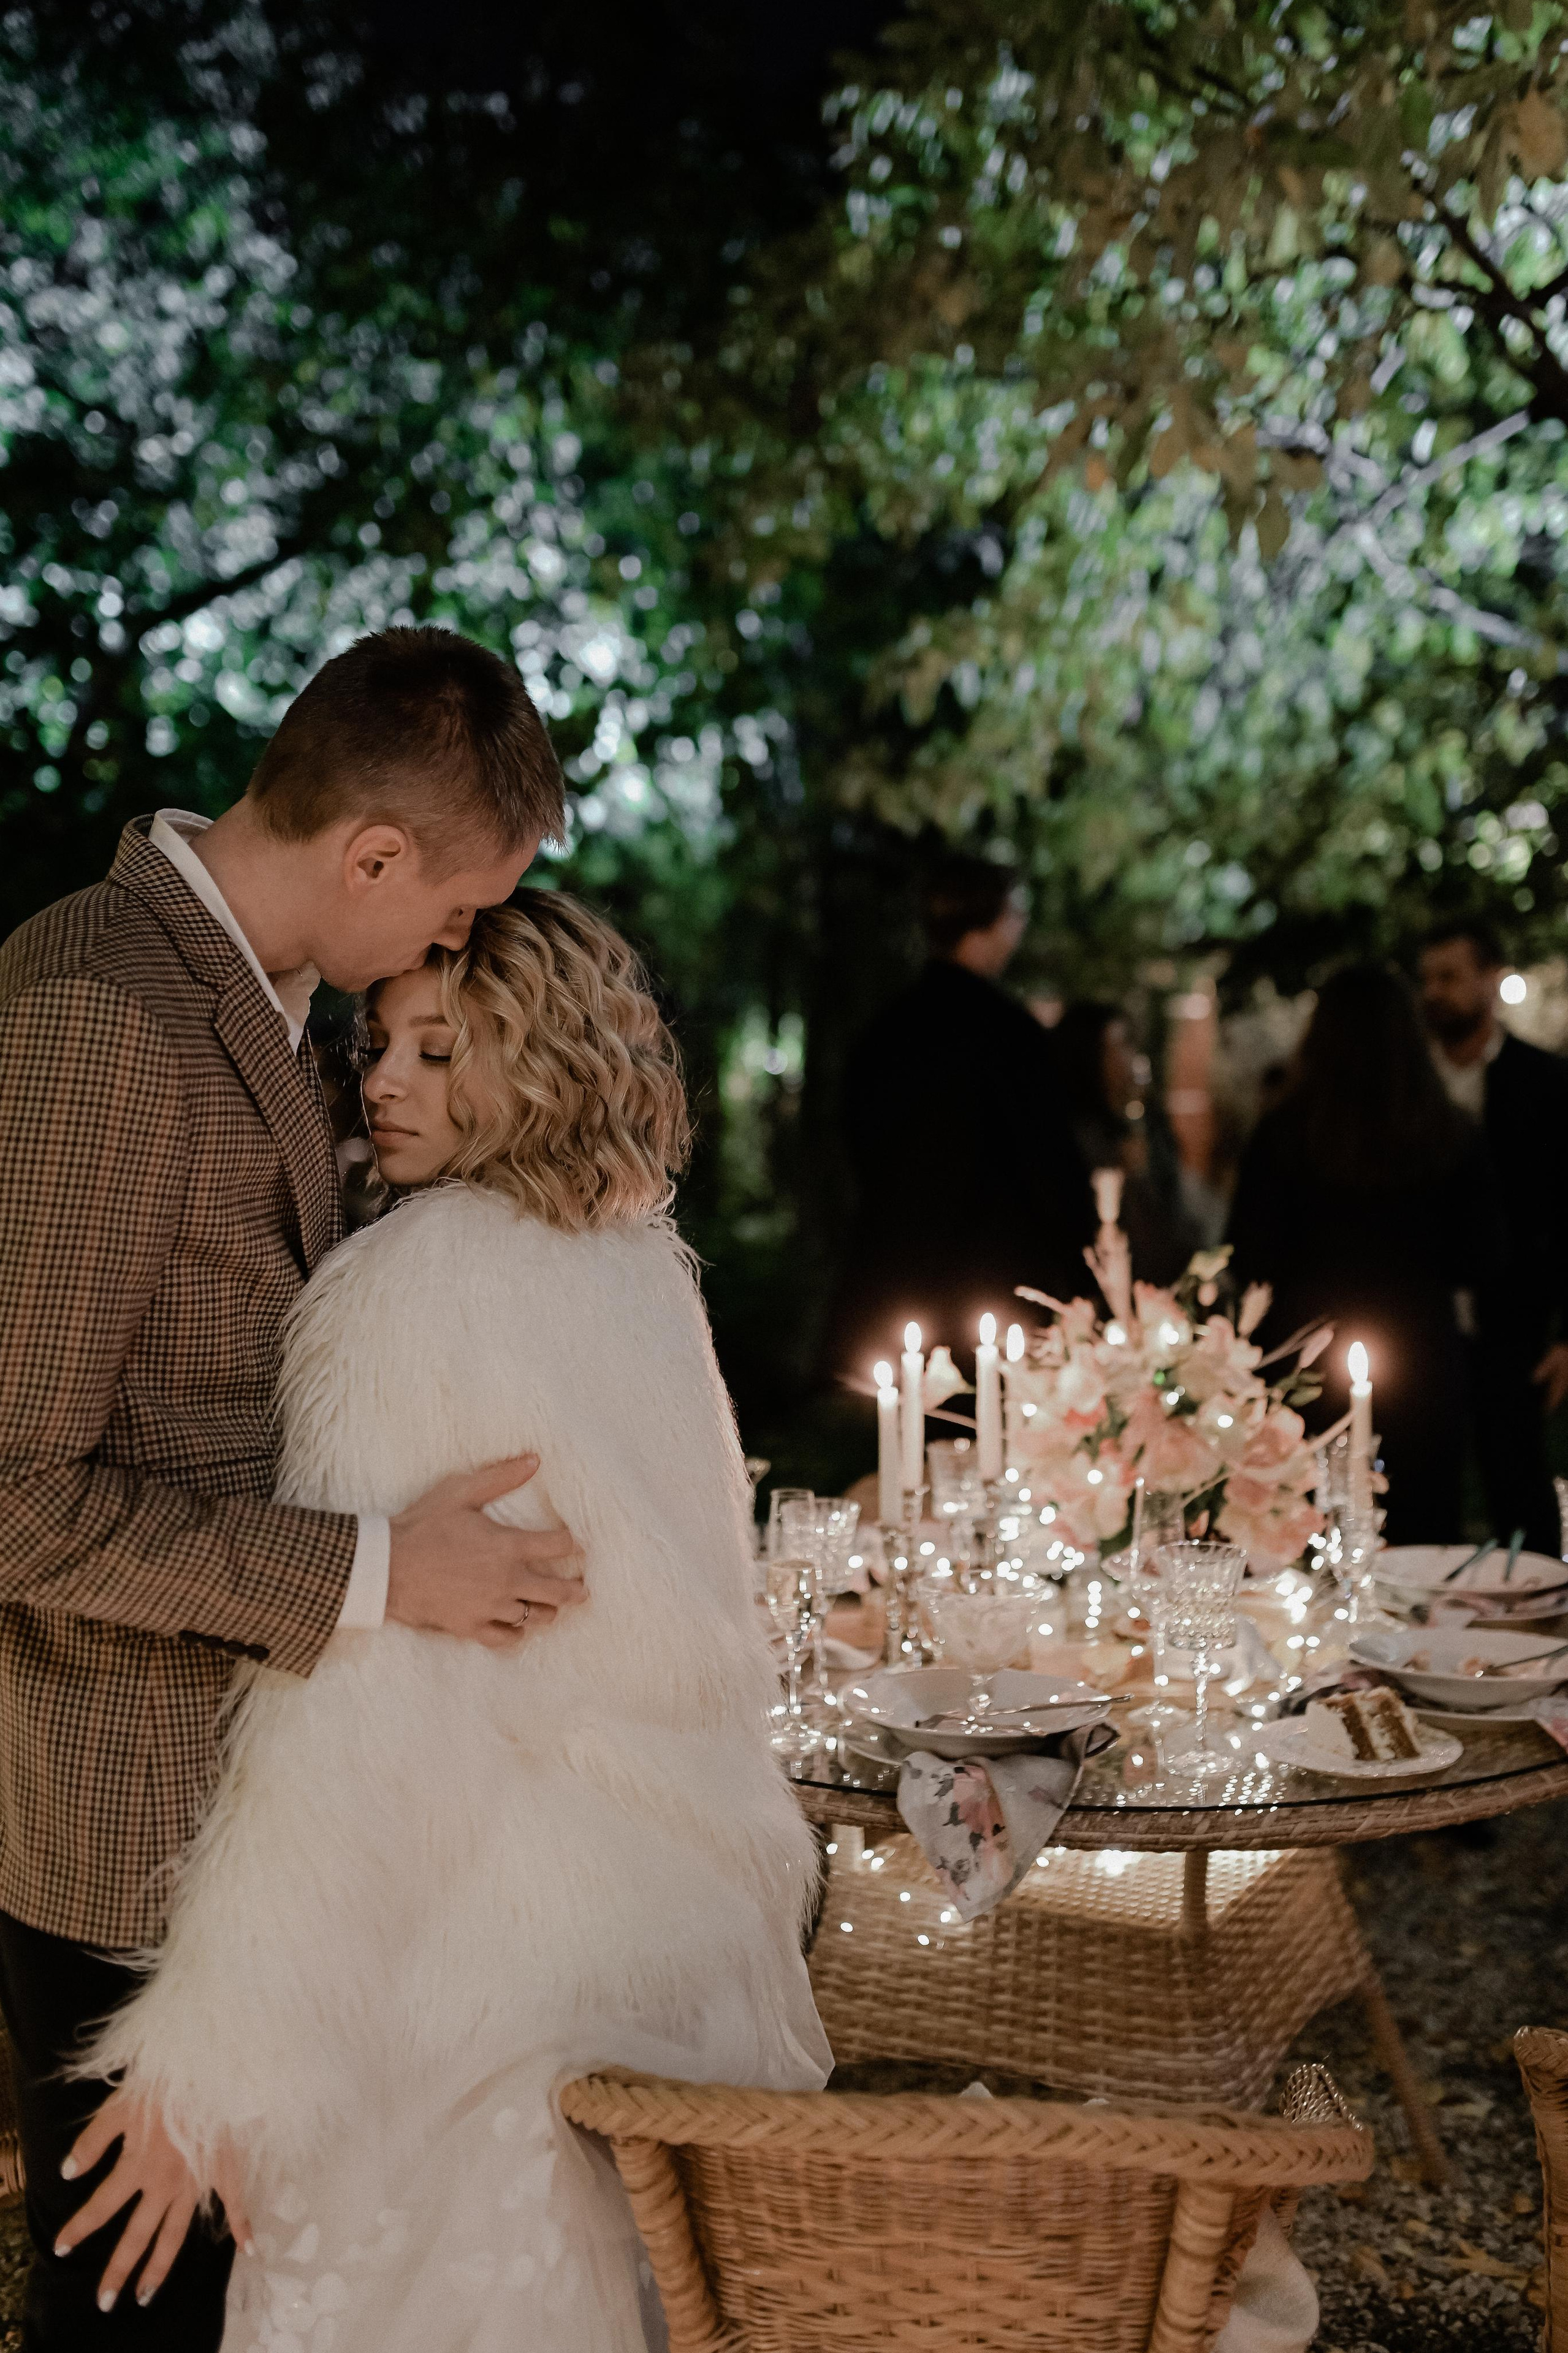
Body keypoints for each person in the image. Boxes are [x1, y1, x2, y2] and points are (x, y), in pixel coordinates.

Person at [65, 897, 830, 2352]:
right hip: (686, 1947)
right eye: (377, 1046)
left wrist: (207, 2065)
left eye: (439, 1048)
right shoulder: (634, 1266)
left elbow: (356, 1722)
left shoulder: (407, 1289)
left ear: (537, 1059)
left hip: (486, 1982)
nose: (382, 1083)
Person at [0, 627, 588, 2349]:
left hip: (259, 1818)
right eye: (457, 909)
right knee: (133, 2315)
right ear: (373, 854)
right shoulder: (104, 1014)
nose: (447, 946)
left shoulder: (272, 1001)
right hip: (123, 1822)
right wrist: (376, 1570)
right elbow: (15, 1491)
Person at [1227, 962, 1505, 1544]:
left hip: (1307, 1360)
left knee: (1309, 1542)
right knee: (1420, 1542)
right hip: (1420, 1356)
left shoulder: (1284, 1135)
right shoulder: (1450, 1133)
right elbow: (1480, 1258)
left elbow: (1251, 1258)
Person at [829, 853, 1095, 1375]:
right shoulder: (1010, 1034)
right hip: (997, 1284)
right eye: (1014, 914)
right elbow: (1049, 1164)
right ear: (990, 922)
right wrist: (1082, 1280)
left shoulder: (884, 1033)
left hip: (899, 1276)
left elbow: (856, 1147)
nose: (1019, 927)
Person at [1418, 919, 1568, 1555]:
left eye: (1449, 976)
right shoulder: (1408, 1087)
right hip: (1423, 1318)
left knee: (1518, 1483)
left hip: (1513, 1316)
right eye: (1425, 979)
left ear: (1489, 979)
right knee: (1424, 1493)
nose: (1434, 992)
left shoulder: (1544, 1080)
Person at [1052, 1000, 1202, 1284]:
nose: (1130, 1057)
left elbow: (1174, 1207)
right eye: (1118, 1046)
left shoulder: (1150, 1125)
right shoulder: (1077, 1138)